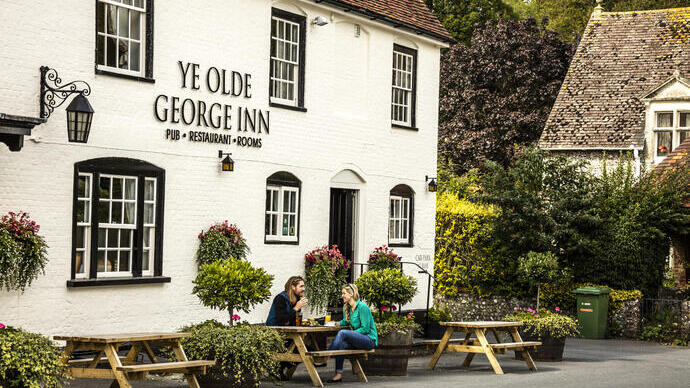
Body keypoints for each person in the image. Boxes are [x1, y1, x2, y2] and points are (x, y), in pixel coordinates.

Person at [327, 283, 378, 383]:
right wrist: (336, 323)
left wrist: (352, 334)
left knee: (343, 333)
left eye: (344, 293)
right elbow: (346, 321)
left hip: (368, 340)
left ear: (351, 294)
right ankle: (338, 374)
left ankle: (327, 355)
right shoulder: (347, 308)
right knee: (342, 345)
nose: (342, 296)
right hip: (358, 339)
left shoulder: (362, 307)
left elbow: (365, 329)